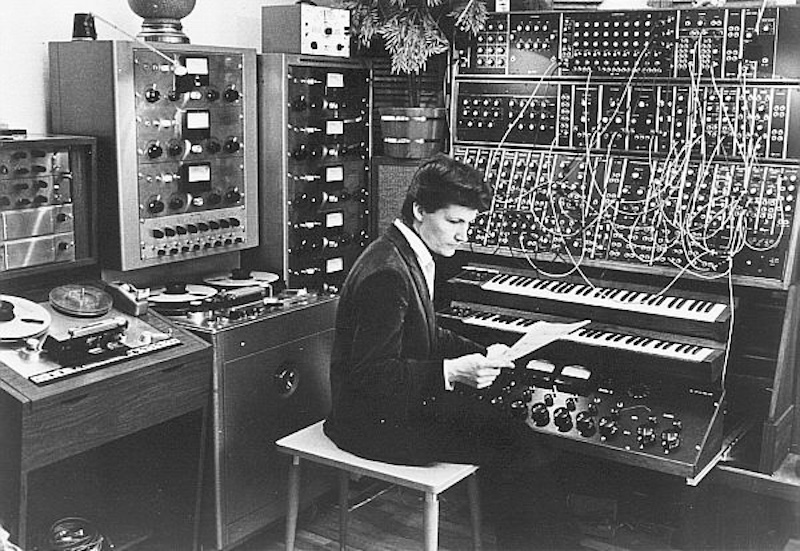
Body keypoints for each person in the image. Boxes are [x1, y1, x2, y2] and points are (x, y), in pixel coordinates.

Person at [324, 153, 575, 549]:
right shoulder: (388, 272)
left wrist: (488, 351)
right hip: (369, 423)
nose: (463, 235)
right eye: (454, 222)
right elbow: (371, 376)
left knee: (510, 430)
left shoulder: (406, 252)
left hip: (393, 408)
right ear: (420, 210)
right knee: (516, 443)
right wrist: (452, 373)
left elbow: (425, 333)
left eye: (469, 224)